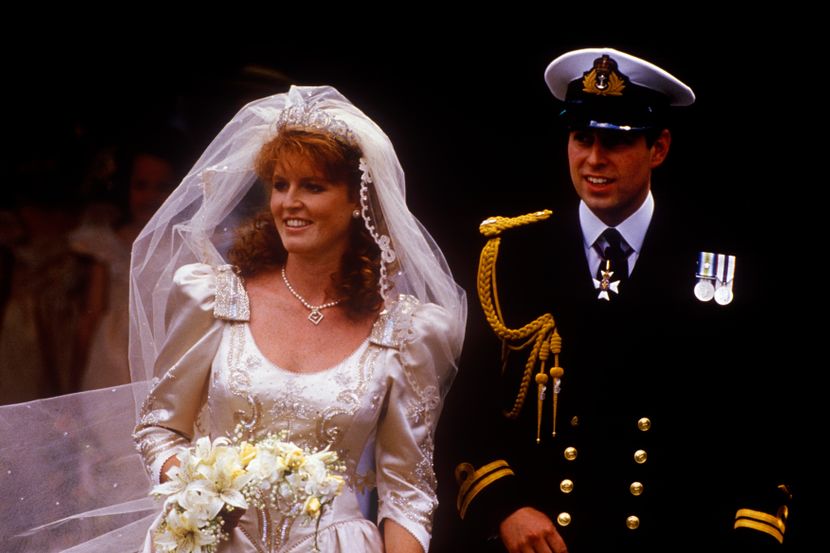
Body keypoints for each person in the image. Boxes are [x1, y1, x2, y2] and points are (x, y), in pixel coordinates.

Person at [1, 85, 466, 553]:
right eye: (280, 185)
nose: (290, 202)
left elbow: (407, 494)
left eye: (313, 186)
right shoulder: (216, 299)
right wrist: (200, 492)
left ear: (356, 201)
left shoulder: (405, 333)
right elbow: (160, 429)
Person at [448, 48, 795, 552]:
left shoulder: (723, 263)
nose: (594, 159)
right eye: (581, 138)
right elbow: (463, 412)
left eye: (616, 141)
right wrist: (506, 507)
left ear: (659, 148)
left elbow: (764, 421)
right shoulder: (509, 258)